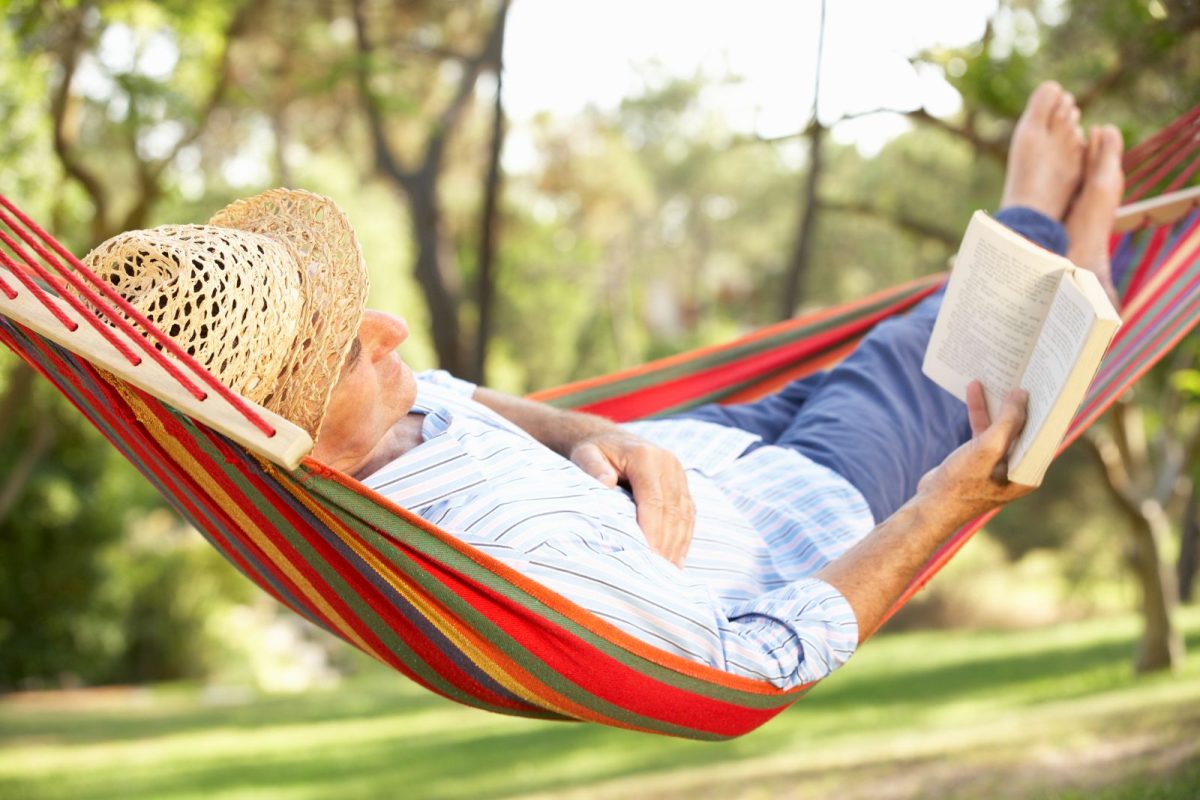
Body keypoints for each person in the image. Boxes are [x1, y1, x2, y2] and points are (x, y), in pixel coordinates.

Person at [83, 81, 1125, 689]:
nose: (392, 331)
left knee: (898, 354)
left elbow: (468, 400)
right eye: (353, 348)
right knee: (926, 351)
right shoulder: (485, 556)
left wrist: (584, 430)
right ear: (291, 431)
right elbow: (752, 659)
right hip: (813, 505)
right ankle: (1046, 231)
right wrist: (942, 506)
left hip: (707, 439)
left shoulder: (376, 419)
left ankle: (1077, 275)